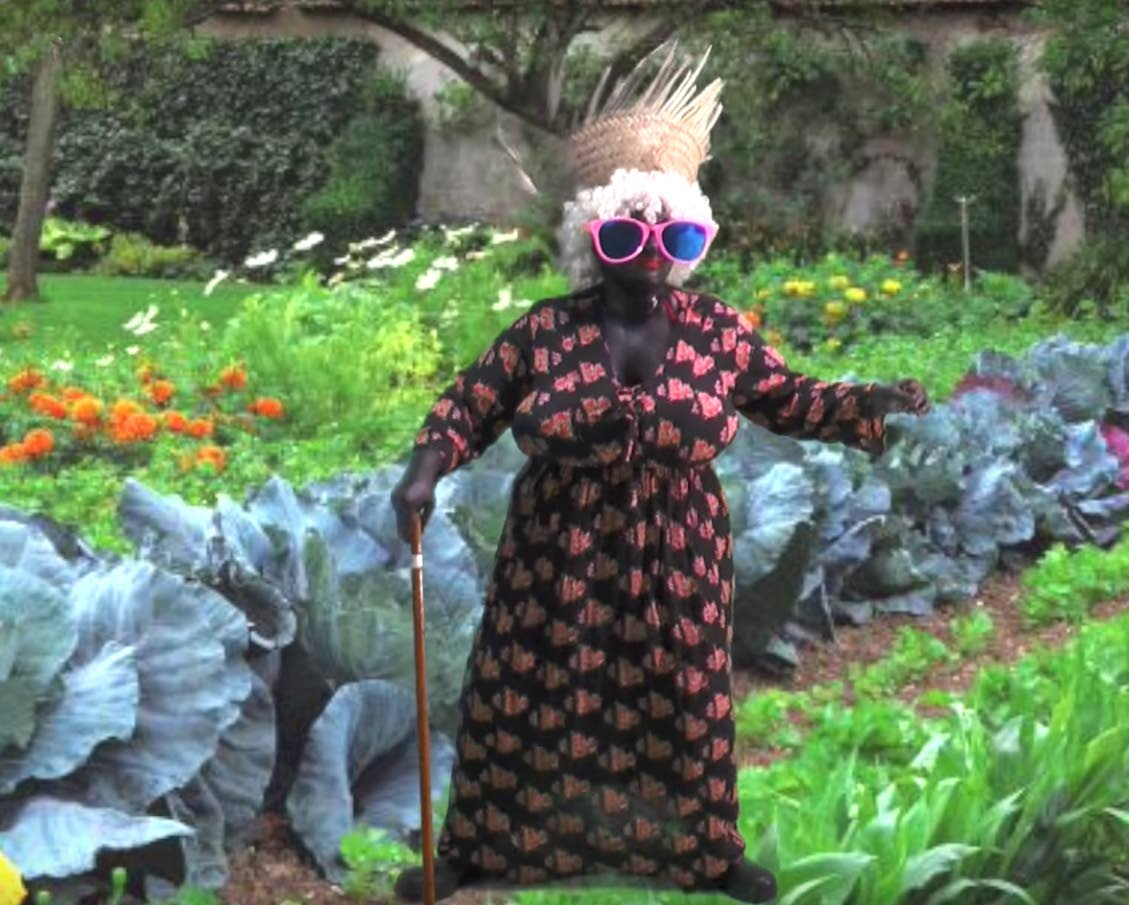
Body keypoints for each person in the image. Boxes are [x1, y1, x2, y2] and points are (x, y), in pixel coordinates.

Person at [390, 44, 930, 904]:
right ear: (593, 236)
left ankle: (707, 852)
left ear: (688, 242)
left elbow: (786, 396)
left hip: (679, 541)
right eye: (625, 232)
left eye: (669, 234)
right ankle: (479, 846)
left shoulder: (716, 331)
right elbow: (470, 402)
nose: (646, 251)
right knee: (522, 690)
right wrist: (423, 472)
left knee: (686, 697)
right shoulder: (544, 331)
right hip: (557, 544)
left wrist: (866, 400)